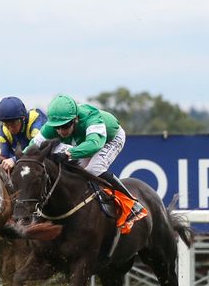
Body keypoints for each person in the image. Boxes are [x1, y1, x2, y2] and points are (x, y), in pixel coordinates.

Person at [29, 94, 145, 225]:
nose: (61, 131)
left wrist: (69, 153)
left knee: (93, 169)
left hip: (109, 139)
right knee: (75, 172)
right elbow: (32, 146)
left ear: (75, 119)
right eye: (57, 127)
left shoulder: (91, 117)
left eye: (65, 126)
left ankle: (133, 204)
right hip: (85, 143)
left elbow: (94, 145)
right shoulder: (51, 126)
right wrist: (17, 160)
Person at [0, 96, 47, 172]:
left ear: (23, 118)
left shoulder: (36, 122)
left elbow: (36, 149)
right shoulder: (3, 133)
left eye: (13, 123)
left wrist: (14, 160)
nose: (10, 129)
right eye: (6, 124)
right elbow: (3, 158)